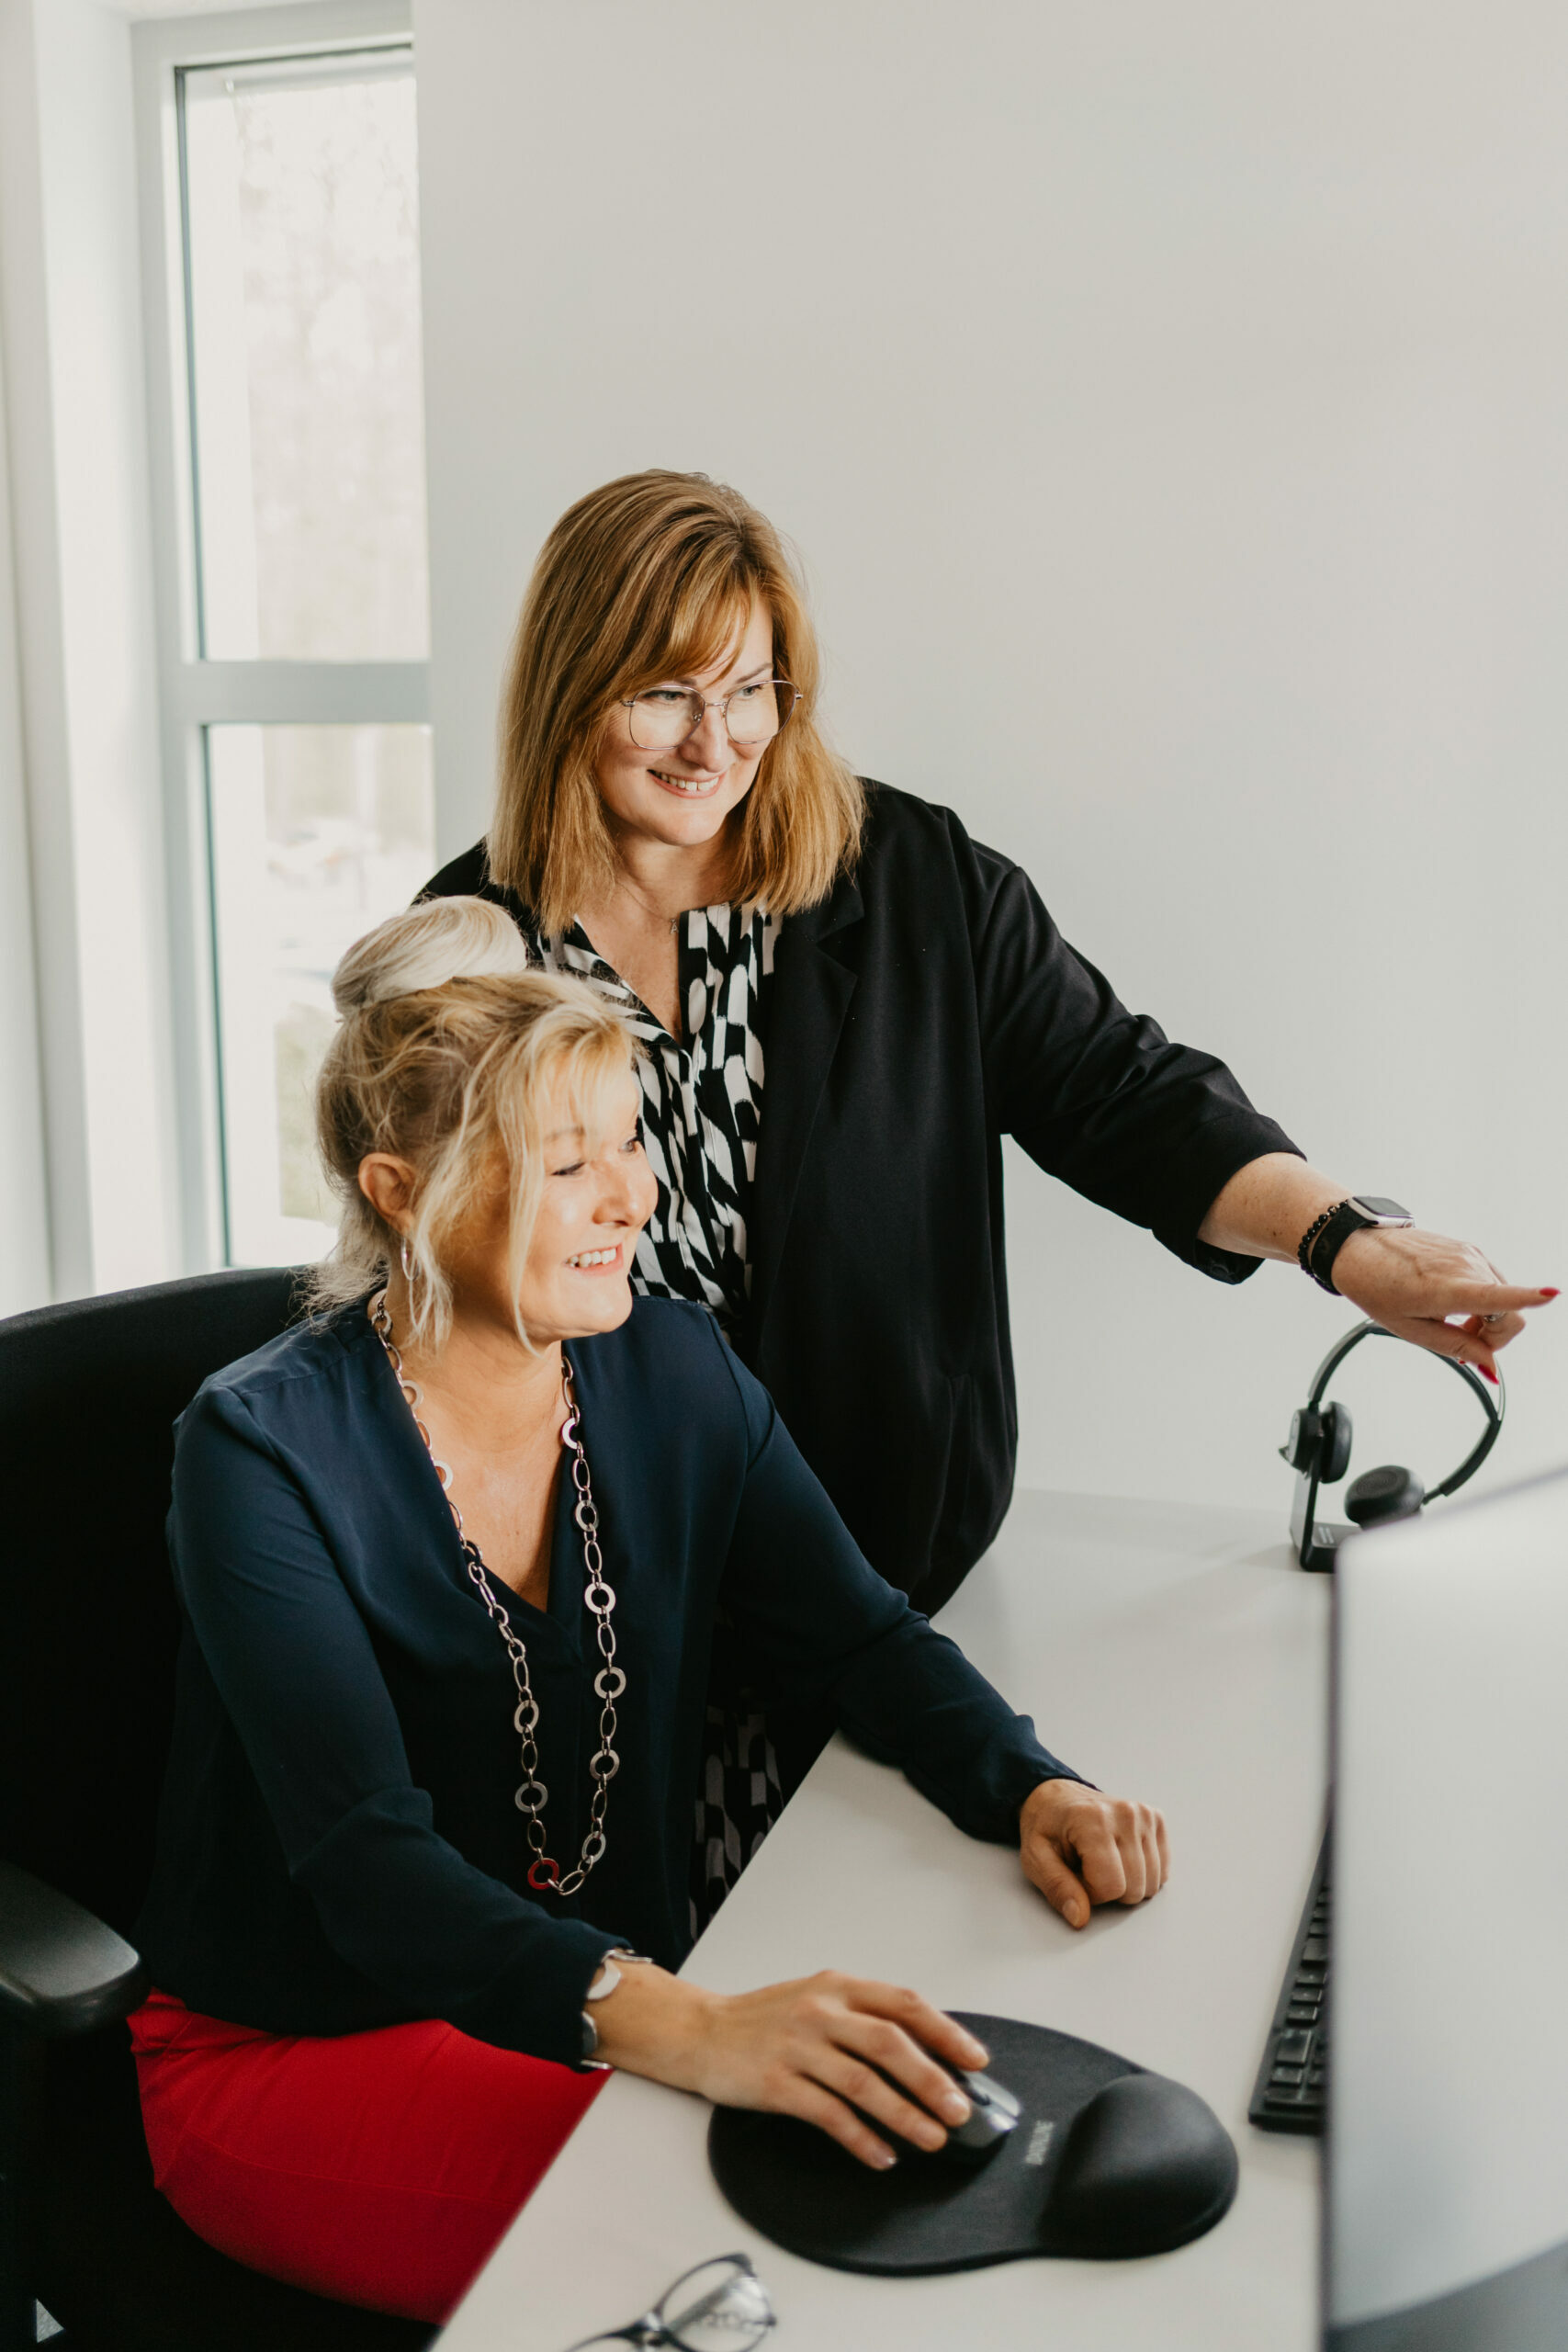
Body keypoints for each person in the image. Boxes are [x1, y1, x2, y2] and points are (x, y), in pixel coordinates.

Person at [422, 468, 1556, 1905]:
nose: (719, 743)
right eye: (664, 694)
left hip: (893, 1588)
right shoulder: (464, 951)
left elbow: (1125, 1094)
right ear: (574, 687)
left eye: (755, 689)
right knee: (653, 2048)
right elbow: (427, 1304)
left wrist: (1344, 1242)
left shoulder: (912, 881)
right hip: (596, 1635)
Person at [130, 897, 1168, 2325]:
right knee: (758, 2232)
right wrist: (696, 2029)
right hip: (299, 2045)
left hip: (584, 2014)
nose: (636, 1195)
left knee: (873, 2162)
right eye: (570, 1163)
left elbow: (856, 1634)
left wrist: (1027, 1779)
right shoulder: (258, 1451)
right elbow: (367, 1863)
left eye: (631, 1139)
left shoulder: (669, 1364)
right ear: (400, 1190)